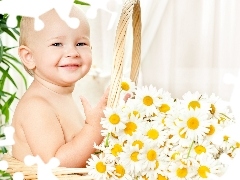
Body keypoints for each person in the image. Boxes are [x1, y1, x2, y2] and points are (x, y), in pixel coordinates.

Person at [11, 5, 109, 168]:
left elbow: (80, 149)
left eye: (81, 43)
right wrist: (94, 129)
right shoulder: (36, 106)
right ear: (29, 57)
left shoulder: (59, 95)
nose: (73, 52)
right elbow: (55, 166)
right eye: (57, 44)